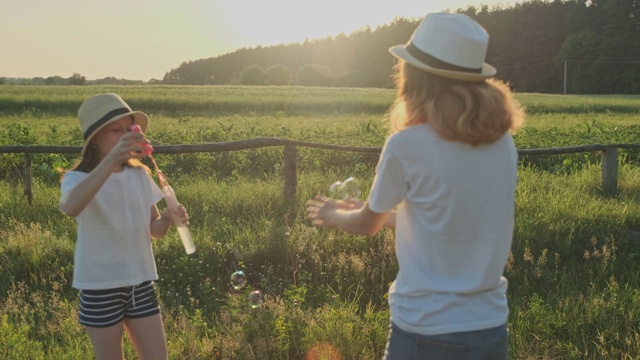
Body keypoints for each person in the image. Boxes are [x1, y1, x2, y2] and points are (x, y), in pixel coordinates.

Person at [305, 12, 524, 359]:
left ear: (415, 79)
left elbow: (365, 226)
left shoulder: (406, 145)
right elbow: (451, 219)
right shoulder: (503, 145)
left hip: (426, 332)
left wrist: (334, 214)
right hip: (489, 330)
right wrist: (390, 216)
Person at [59, 93, 188, 360]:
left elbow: (153, 230)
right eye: (114, 130)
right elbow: (71, 207)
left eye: (127, 129)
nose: (123, 136)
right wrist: (113, 160)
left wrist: (166, 219)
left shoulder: (140, 174)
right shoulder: (76, 179)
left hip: (140, 283)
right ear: (94, 138)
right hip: (100, 285)